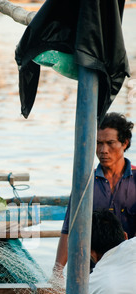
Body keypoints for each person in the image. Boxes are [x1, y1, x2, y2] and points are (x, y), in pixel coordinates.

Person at [52, 112, 135, 284]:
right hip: (92, 273)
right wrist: (57, 272)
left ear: (124, 143)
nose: (103, 150)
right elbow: (69, 229)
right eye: (98, 143)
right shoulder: (84, 183)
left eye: (110, 143)